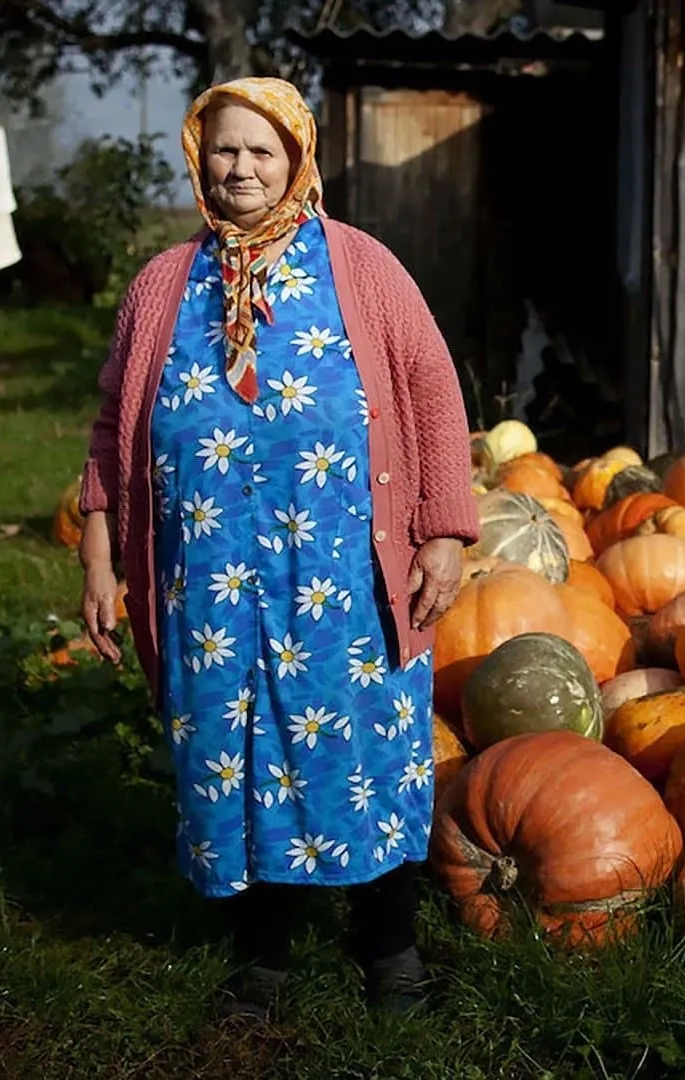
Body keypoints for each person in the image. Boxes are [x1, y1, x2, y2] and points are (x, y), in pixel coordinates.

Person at [75, 76, 477, 1021]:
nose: (241, 167)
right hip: (207, 586)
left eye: (262, 150)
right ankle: (262, 959)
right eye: (224, 149)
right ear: (199, 159)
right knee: (230, 754)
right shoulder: (164, 283)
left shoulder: (363, 267)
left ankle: (391, 951)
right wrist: (100, 549)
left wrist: (446, 529)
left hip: (342, 577)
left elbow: (432, 391)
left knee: (362, 754)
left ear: (296, 157)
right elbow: (110, 429)